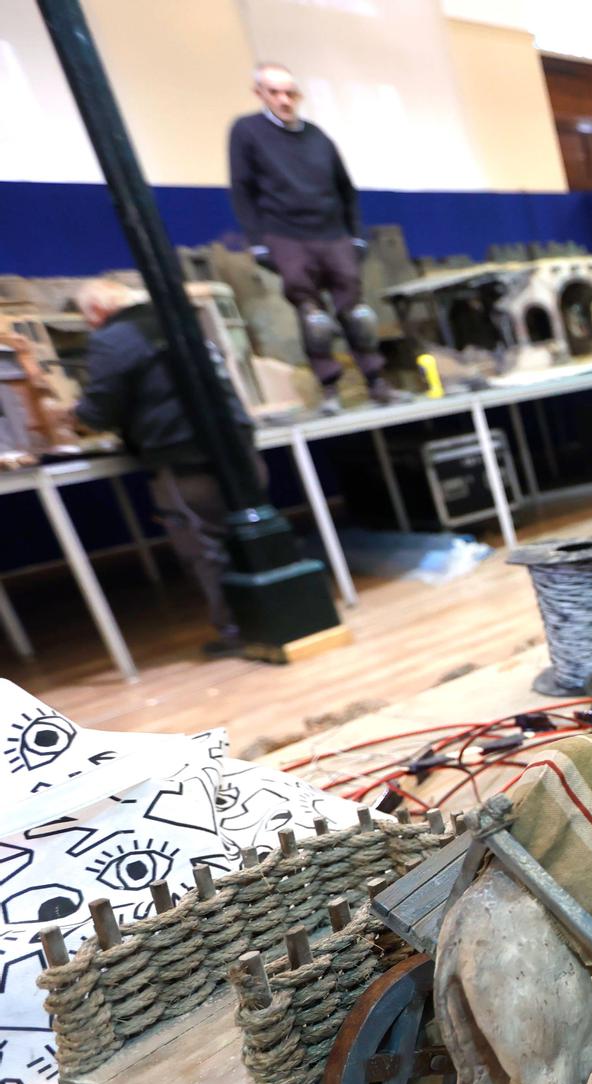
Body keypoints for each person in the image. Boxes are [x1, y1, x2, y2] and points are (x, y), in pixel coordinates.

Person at [67, 280, 257, 658]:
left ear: (96, 313)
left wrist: (72, 416)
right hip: (237, 442)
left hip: (181, 454)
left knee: (204, 546)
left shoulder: (113, 338)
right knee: (250, 531)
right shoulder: (181, 321)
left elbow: (99, 410)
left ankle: (239, 632)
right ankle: (277, 613)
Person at [227, 61, 392, 411]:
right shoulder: (246, 131)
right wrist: (257, 241)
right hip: (286, 234)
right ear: (260, 94)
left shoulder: (317, 137)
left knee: (357, 312)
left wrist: (356, 236)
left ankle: (376, 381)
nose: (284, 100)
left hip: (333, 233)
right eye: (274, 92)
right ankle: (330, 388)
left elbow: (346, 189)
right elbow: (242, 190)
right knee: (313, 316)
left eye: (290, 93)